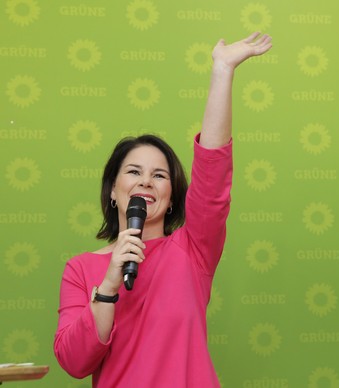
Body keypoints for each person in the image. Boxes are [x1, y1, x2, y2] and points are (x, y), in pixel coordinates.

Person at [54, 32, 272, 387]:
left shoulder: (192, 250)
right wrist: (109, 285)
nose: (146, 183)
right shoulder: (80, 269)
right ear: (113, 189)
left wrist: (222, 71)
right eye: (134, 172)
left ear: (172, 199)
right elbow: (74, 362)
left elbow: (213, 177)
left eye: (159, 176)